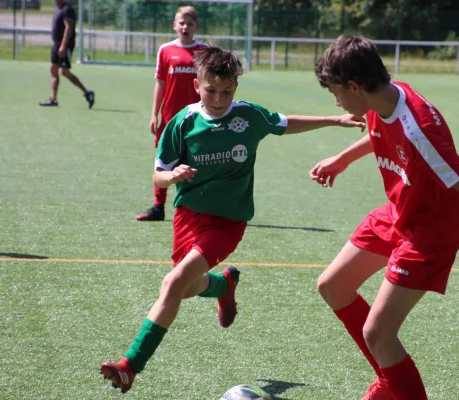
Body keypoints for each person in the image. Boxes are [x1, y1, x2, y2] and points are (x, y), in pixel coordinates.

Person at [100, 46, 366, 393]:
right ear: (197, 85)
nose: (219, 98)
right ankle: (224, 284)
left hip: (227, 222)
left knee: (173, 283)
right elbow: (158, 176)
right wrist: (173, 176)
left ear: (235, 89)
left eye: (227, 91)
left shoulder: (248, 116)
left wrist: (335, 119)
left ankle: (130, 365)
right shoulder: (182, 123)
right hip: (187, 217)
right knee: (189, 287)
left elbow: (284, 123)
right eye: (211, 90)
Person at [310, 35, 459, 400]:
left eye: (336, 92)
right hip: (399, 212)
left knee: (378, 333)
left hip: (431, 232)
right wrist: (342, 159)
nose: (337, 101)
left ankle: (398, 387)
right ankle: (393, 383)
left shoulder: (421, 129)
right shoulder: (383, 95)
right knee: (333, 286)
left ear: (356, 87)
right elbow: (378, 128)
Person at [136, 6, 209, 222]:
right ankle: (158, 207)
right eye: (181, 22)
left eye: (190, 23)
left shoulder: (205, 51)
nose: (185, 27)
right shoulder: (165, 50)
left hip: (198, 118)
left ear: (196, 27)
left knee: (199, 160)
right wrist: (154, 114)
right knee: (164, 160)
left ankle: (198, 206)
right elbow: (160, 83)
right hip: (170, 117)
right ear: (174, 25)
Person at [39, 0, 94, 108]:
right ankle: (53, 99)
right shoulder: (59, 9)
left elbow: (68, 28)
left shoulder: (67, 10)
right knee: (54, 69)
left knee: (64, 72)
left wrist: (63, 45)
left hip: (64, 45)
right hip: (57, 44)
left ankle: (87, 93)